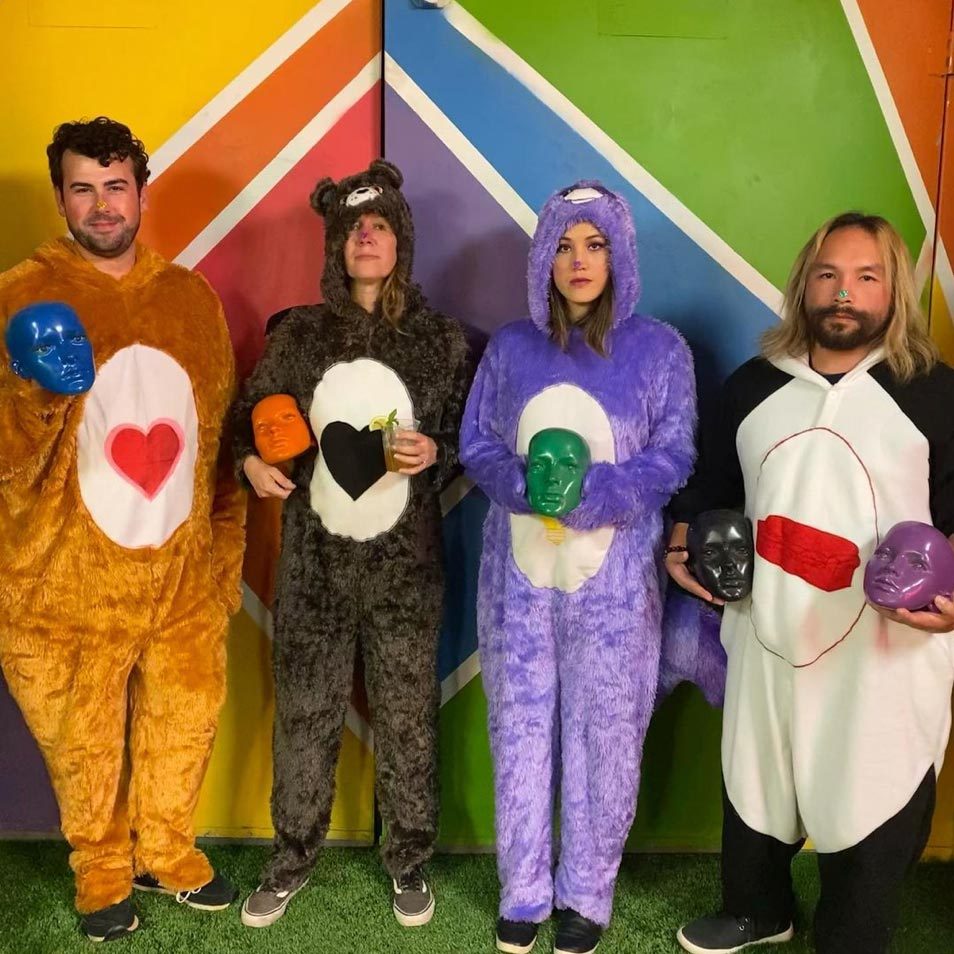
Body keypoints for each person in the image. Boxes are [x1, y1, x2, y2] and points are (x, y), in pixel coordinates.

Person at [667, 211, 954, 954]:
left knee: (873, 785)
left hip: (886, 651)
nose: (843, 293)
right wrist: (680, 541)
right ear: (804, 285)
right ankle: (757, 908)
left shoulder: (934, 393)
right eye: (828, 275)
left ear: (894, 289)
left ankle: (852, 934)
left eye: (866, 276)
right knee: (756, 773)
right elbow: (711, 491)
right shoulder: (751, 387)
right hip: (769, 632)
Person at [0, 116, 246, 942]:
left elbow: (217, 436)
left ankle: (167, 848)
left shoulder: (191, 298)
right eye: (83, 188)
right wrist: (34, 396)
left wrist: (220, 560)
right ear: (60, 196)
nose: (102, 205)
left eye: (116, 186)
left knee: (187, 716)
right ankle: (101, 866)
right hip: (68, 582)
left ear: (142, 192)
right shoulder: (19, 295)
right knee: (84, 739)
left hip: (179, 573)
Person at [231, 159, 472, 930]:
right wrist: (249, 462)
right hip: (315, 571)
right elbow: (246, 420)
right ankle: (291, 855)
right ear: (336, 243)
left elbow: (475, 439)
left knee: (408, 717)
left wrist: (438, 451)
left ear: (401, 240)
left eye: (380, 226)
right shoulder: (299, 337)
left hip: (407, 572)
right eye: (353, 227)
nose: (366, 237)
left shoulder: (440, 342)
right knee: (304, 714)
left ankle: (409, 857)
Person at [460, 181, 696, 954]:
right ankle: (523, 891)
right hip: (519, 587)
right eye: (563, 246)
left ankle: (587, 894)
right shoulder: (509, 350)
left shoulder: (660, 351)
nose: (579, 261)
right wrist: (520, 483)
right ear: (543, 259)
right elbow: (477, 445)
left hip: (615, 592)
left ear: (619, 254)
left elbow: (674, 454)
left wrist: (602, 492)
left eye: (594, 244)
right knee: (520, 730)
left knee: (606, 734)